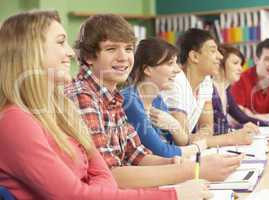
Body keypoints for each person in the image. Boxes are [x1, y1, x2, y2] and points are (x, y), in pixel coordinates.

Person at [0, 10, 212, 200]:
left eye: (128, 49)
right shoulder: (18, 120)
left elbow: (114, 167)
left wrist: (176, 167)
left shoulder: (61, 108)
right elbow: (81, 190)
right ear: (30, 51)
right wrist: (180, 185)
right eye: (60, 42)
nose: (71, 53)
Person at [65, 14, 242, 188]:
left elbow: (136, 154)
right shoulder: (83, 95)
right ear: (88, 56)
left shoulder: (112, 95)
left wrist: (175, 162)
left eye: (128, 49)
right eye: (111, 49)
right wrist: (194, 170)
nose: (123, 57)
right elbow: (109, 175)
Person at [160, 28, 256, 147]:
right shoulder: (176, 81)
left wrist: (200, 139)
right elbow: (180, 140)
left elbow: (207, 126)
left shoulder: (206, 82)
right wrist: (231, 138)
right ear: (194, 56)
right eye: (213, 51)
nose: (220, 56)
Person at [122, 37, 207, 158]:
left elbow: (180, 141)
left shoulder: (157, 100)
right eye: (170, 63)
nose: (178, 70)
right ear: (147, 69)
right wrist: (197, 148)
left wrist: (174, 125)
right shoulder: (130, 101)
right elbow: (162, 151)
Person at [212, 45, 269, 136]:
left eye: (241, 64)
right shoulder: (209, 90)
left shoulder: (225, 91)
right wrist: (239, 129)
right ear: (220, 64)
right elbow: (211, 128)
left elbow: (243, 118)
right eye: (235, 63)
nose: (240, 69)